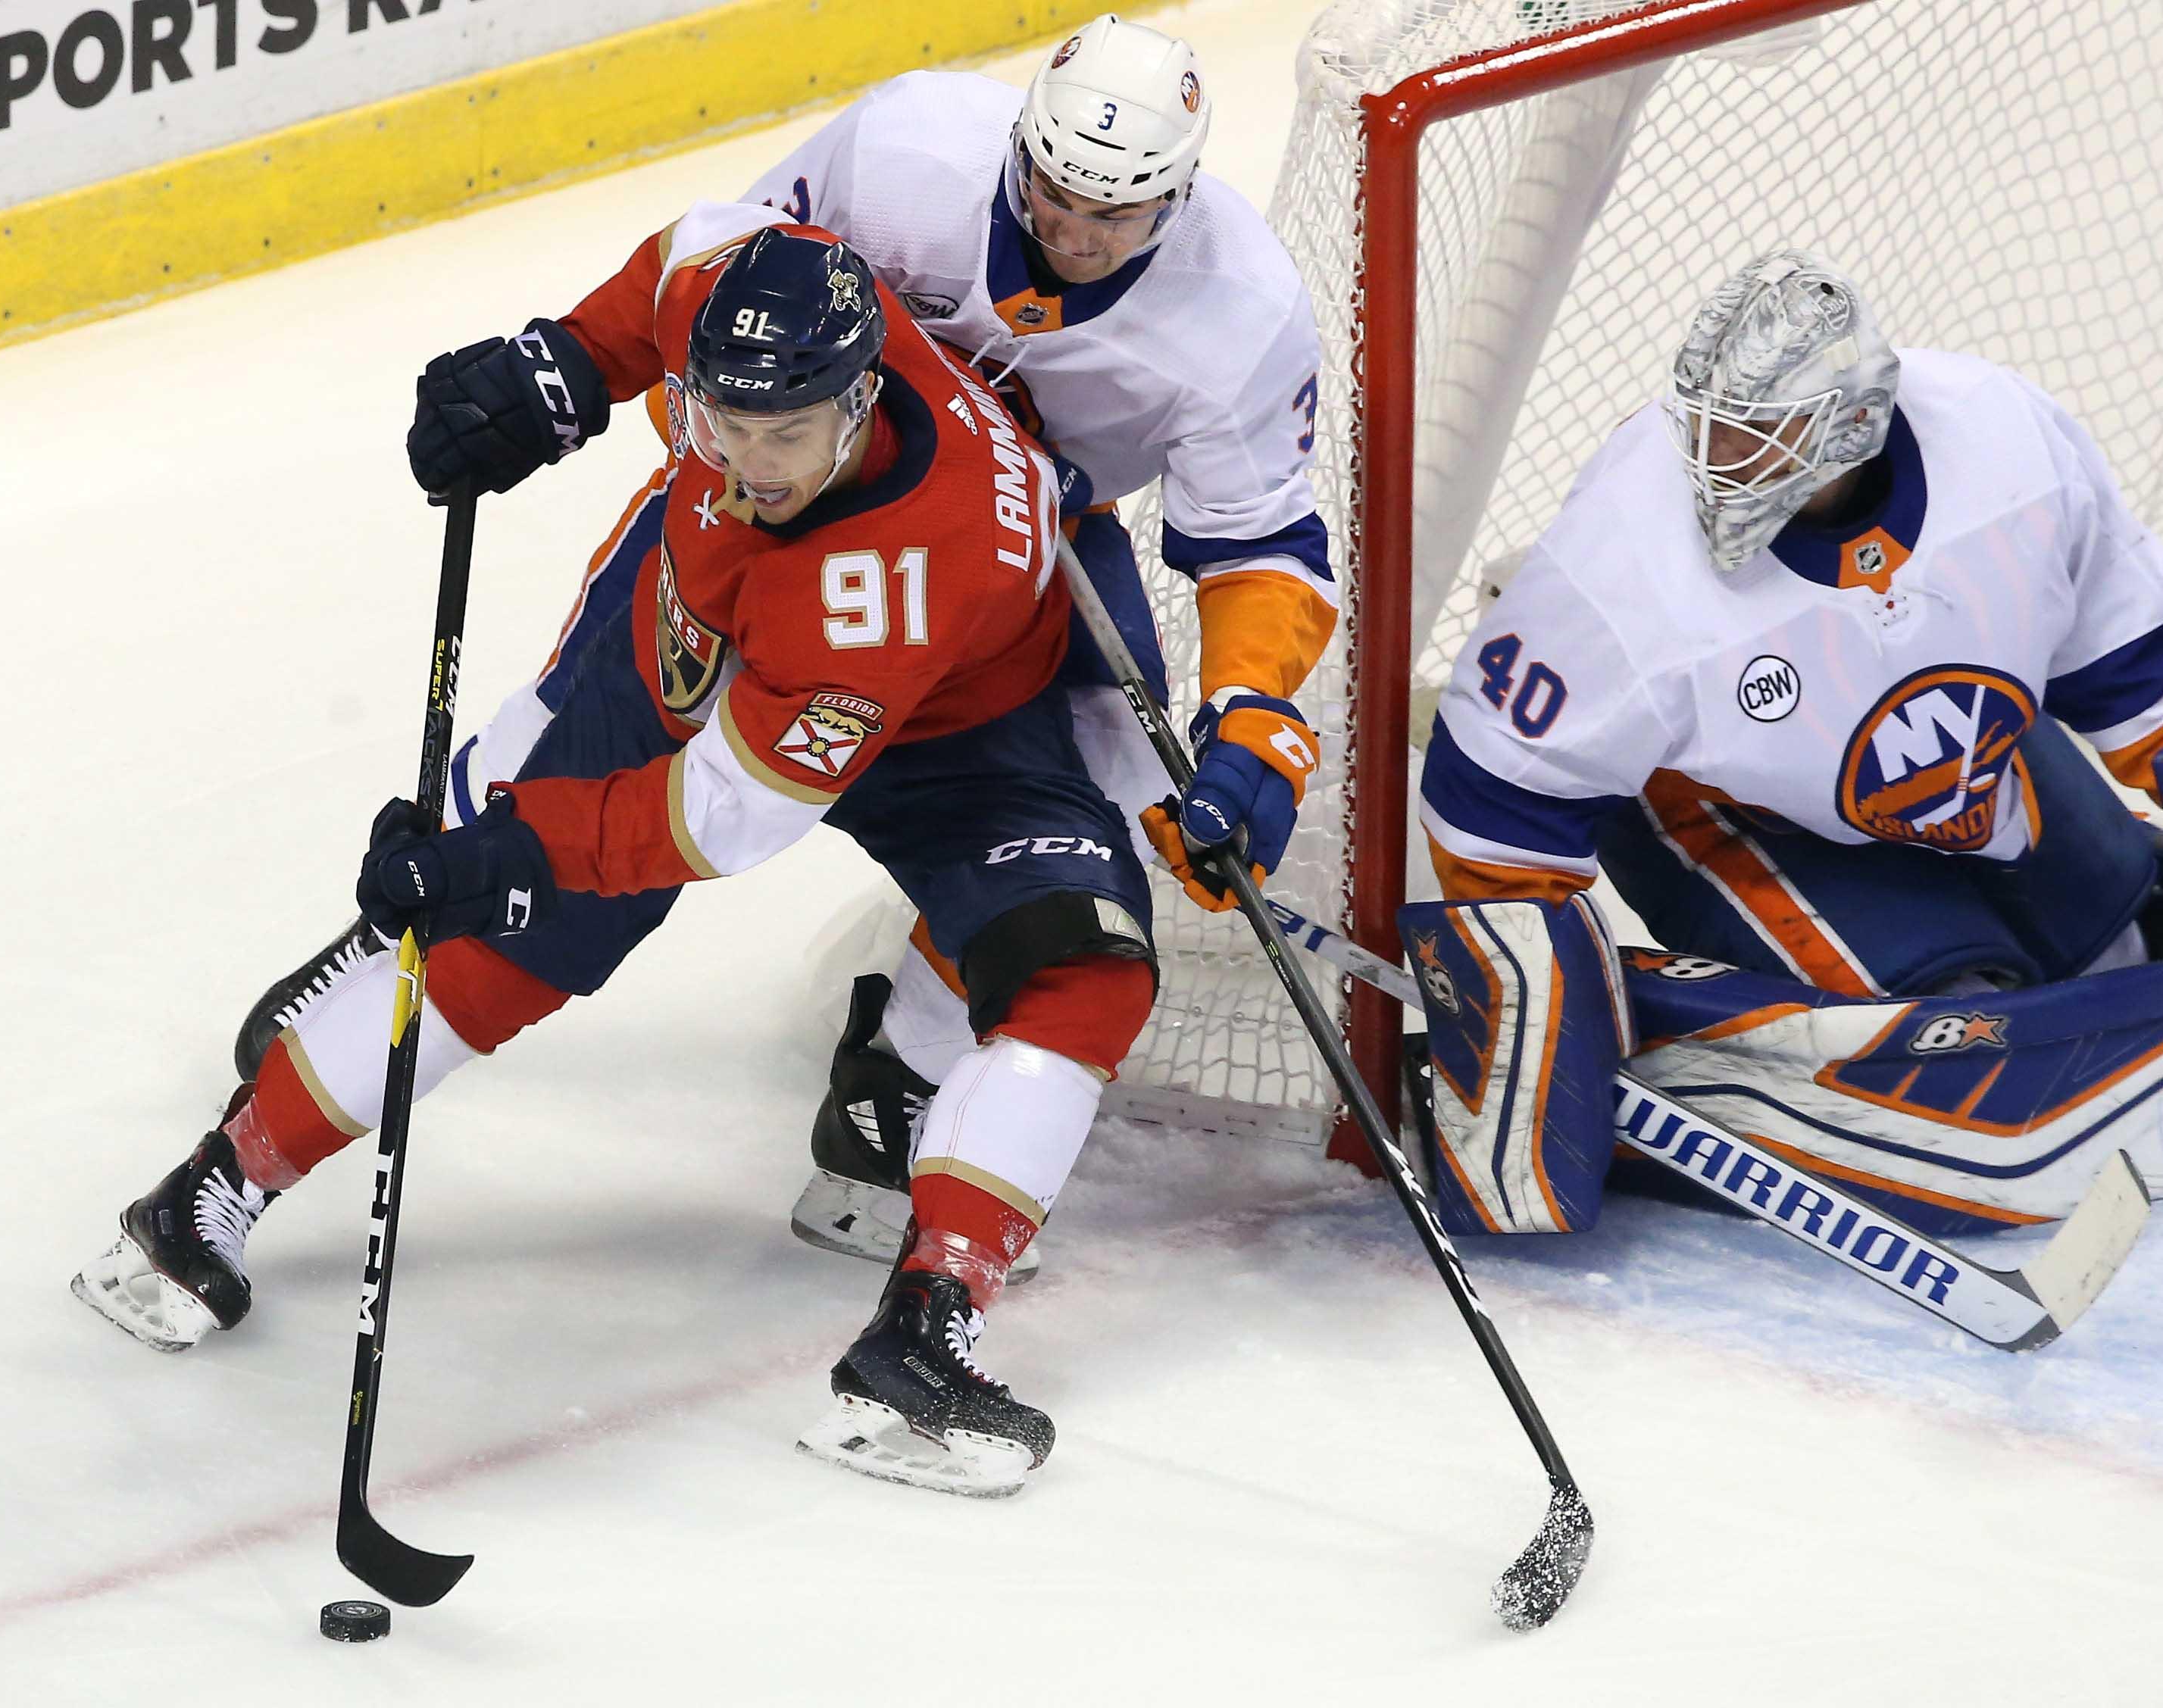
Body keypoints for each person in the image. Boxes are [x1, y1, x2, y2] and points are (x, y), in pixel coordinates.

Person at [226, 14, 1336, 1280]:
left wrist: (1251, 711)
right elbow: (722, 281)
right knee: (604, 720)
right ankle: (415, 930)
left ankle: (895, 1080)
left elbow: (1256, 545)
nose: (1074, 232)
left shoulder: (1242, 315)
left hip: (1016, 566)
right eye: (1050, 193)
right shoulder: (910, 144)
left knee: (1094, 818)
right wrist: (573, 365)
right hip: (764, 504)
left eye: (1116, 217)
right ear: (1016, 144)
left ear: (1178, 200)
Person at [73, 207, 1157, 1496]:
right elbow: (687, 251)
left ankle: (926, 1332)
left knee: (1080, 970)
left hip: (951, 722)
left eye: (786, 434)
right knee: (518, 951)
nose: (751, 463)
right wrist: (558, 369)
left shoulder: (885, 584)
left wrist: (511, 852)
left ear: (861, 398)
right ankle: (205, 1196)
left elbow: (724, 819)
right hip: (690, 636)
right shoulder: (766, 307)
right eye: (722, 423)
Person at [1395, 249, 2163, 1241]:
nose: (1724, 465)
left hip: (1975, 764)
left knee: (2147, 943)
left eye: (1763, 438)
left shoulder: (2007, 441)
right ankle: (1668, 1075)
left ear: (1858, 422)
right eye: (1714, 430)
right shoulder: (1620, 566)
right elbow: (1490, 790)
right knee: (1956, 1038)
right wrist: (1519, 1005)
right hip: (1725, 802)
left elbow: (2145, 665)